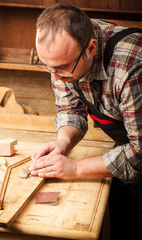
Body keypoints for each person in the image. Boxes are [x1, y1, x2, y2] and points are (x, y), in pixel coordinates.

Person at [29, 3, 142, 240]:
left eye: (61, 68)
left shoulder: (131, 66)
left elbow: (139, 152)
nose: (55, 76)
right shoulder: (62, 59)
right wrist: (62, 143)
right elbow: (71, 110)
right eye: (47, 66)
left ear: (91, 48)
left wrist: (76, 168)